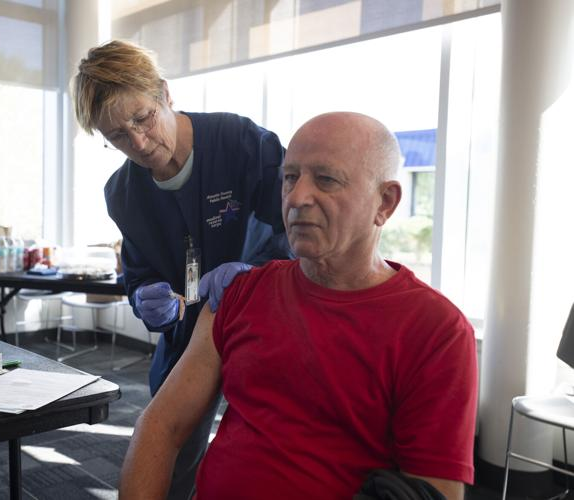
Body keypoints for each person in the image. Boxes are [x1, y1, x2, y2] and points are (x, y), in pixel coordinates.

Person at [119, 112, 478, 499]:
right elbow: (160, 426)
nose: (297, 197)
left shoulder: (434, 330)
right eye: (290, 177)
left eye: (326, 179)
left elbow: (433, 491)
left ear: (385, 203)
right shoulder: (240, 296)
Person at [73, 39, 291, 499]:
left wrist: (255, 272)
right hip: (188, 333)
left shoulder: (241, 143)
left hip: (266, 325)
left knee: (267, 457)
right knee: (166, 449)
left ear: (165, 94)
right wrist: (144, 295)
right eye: (116, 136)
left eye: (142, 118)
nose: (137, 142)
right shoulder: (123, 193)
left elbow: (299, 233)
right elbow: (137, 270)